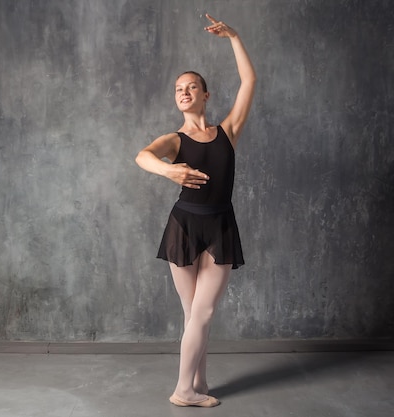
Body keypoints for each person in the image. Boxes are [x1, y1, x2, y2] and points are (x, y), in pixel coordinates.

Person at [135, 14, 256, 408]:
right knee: (195, 313)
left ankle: (198, 382)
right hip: (184, 226)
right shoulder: (174, 139)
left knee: (199, 315)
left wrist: (234, 36)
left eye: (191, 87)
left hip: (220, 225)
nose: (183, 92)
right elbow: (143, 156)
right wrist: (168, 169)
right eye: (178, 89)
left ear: (205, 95)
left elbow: (249, 82)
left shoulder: (227, 132)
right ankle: (184, 390)